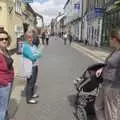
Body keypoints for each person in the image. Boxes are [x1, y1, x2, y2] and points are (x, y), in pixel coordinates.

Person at [95, 28, 120, 120]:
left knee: (111, 111)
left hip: (113, 86)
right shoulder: (115, 51)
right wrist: (102, 69)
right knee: (98, 106)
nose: (108, 40)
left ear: (114, 39)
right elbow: (110, 64)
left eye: (109, 38)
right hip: (106, 83)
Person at [22, 30, 42, 104]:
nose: (31, 38)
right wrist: (36, 55)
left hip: (35, 65)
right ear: (26, 38)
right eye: (29, 37)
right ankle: (29, 99)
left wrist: (36, 55)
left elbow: (40, 54)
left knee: (33, 81)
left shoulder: (32, 45)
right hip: (30, 67)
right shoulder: (26, 46)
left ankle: (32, 94)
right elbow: (33, 57)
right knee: (30, 83)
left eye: (32, 37)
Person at [0, 29, 14, 120]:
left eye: (6, 38)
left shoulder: (5, 51)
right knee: (2, 108)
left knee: (4, 105)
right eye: (1, 39)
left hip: (9, 81)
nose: (4, 40)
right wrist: (3, 82)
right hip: (4, 84)